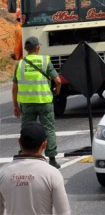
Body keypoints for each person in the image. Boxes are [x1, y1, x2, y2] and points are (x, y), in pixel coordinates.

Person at [12, 37, 62, 169]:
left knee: (26, 129)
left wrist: (15, 105)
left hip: (27, 104)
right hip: (44, 102)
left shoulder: (20, 64)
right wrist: (56, 91)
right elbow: (58, 81)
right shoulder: (45, 61)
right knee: (49, 129)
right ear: (38, 47)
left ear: (25, 49)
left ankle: (24, 154)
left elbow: (15, 87)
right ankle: (52, 159)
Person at [0, 122, 71, 214]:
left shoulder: (3, 173)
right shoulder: (52, 174)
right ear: (44, 144)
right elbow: (64, 212)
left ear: (19, 142)